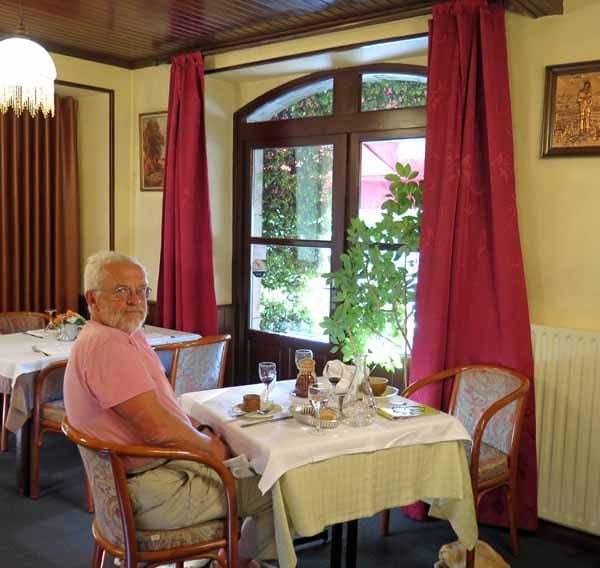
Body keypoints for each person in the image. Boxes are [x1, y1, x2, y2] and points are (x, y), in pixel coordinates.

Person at [64, 251, 277, 568]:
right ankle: (238, 562)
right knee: (275, 491)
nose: (136, 300)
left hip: (145, 478)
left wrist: (200, 431)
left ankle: (227, 557)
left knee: (249, 468)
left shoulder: (126, 336)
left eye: (142, 290)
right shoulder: (106, 346)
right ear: (91, 300)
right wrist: (209, 449)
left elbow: (163, 407)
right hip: (149, 491)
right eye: (122, 291)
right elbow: (158, 429)